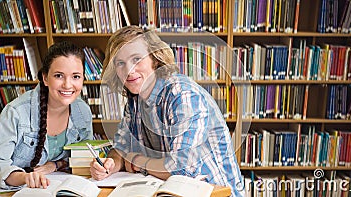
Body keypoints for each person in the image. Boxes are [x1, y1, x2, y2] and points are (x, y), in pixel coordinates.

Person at [90, 26, 244, 196]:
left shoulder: (182, 95)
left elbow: (183, 170)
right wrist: (110, 164)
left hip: (212, 192)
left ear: (155, 59)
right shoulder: (134, 101)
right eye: (120, 63)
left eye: (136, 59)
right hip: (168, 190)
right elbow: (121, 148)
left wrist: (136, 162)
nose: (129, 71)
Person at [0, 41, 93, 189]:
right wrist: (24, 177)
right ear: (45, 78)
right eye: (59, 76)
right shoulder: (16, 112)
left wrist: (55, 165)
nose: (67, 85)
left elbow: (82, 159)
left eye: (76, 76)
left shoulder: (83, 112)